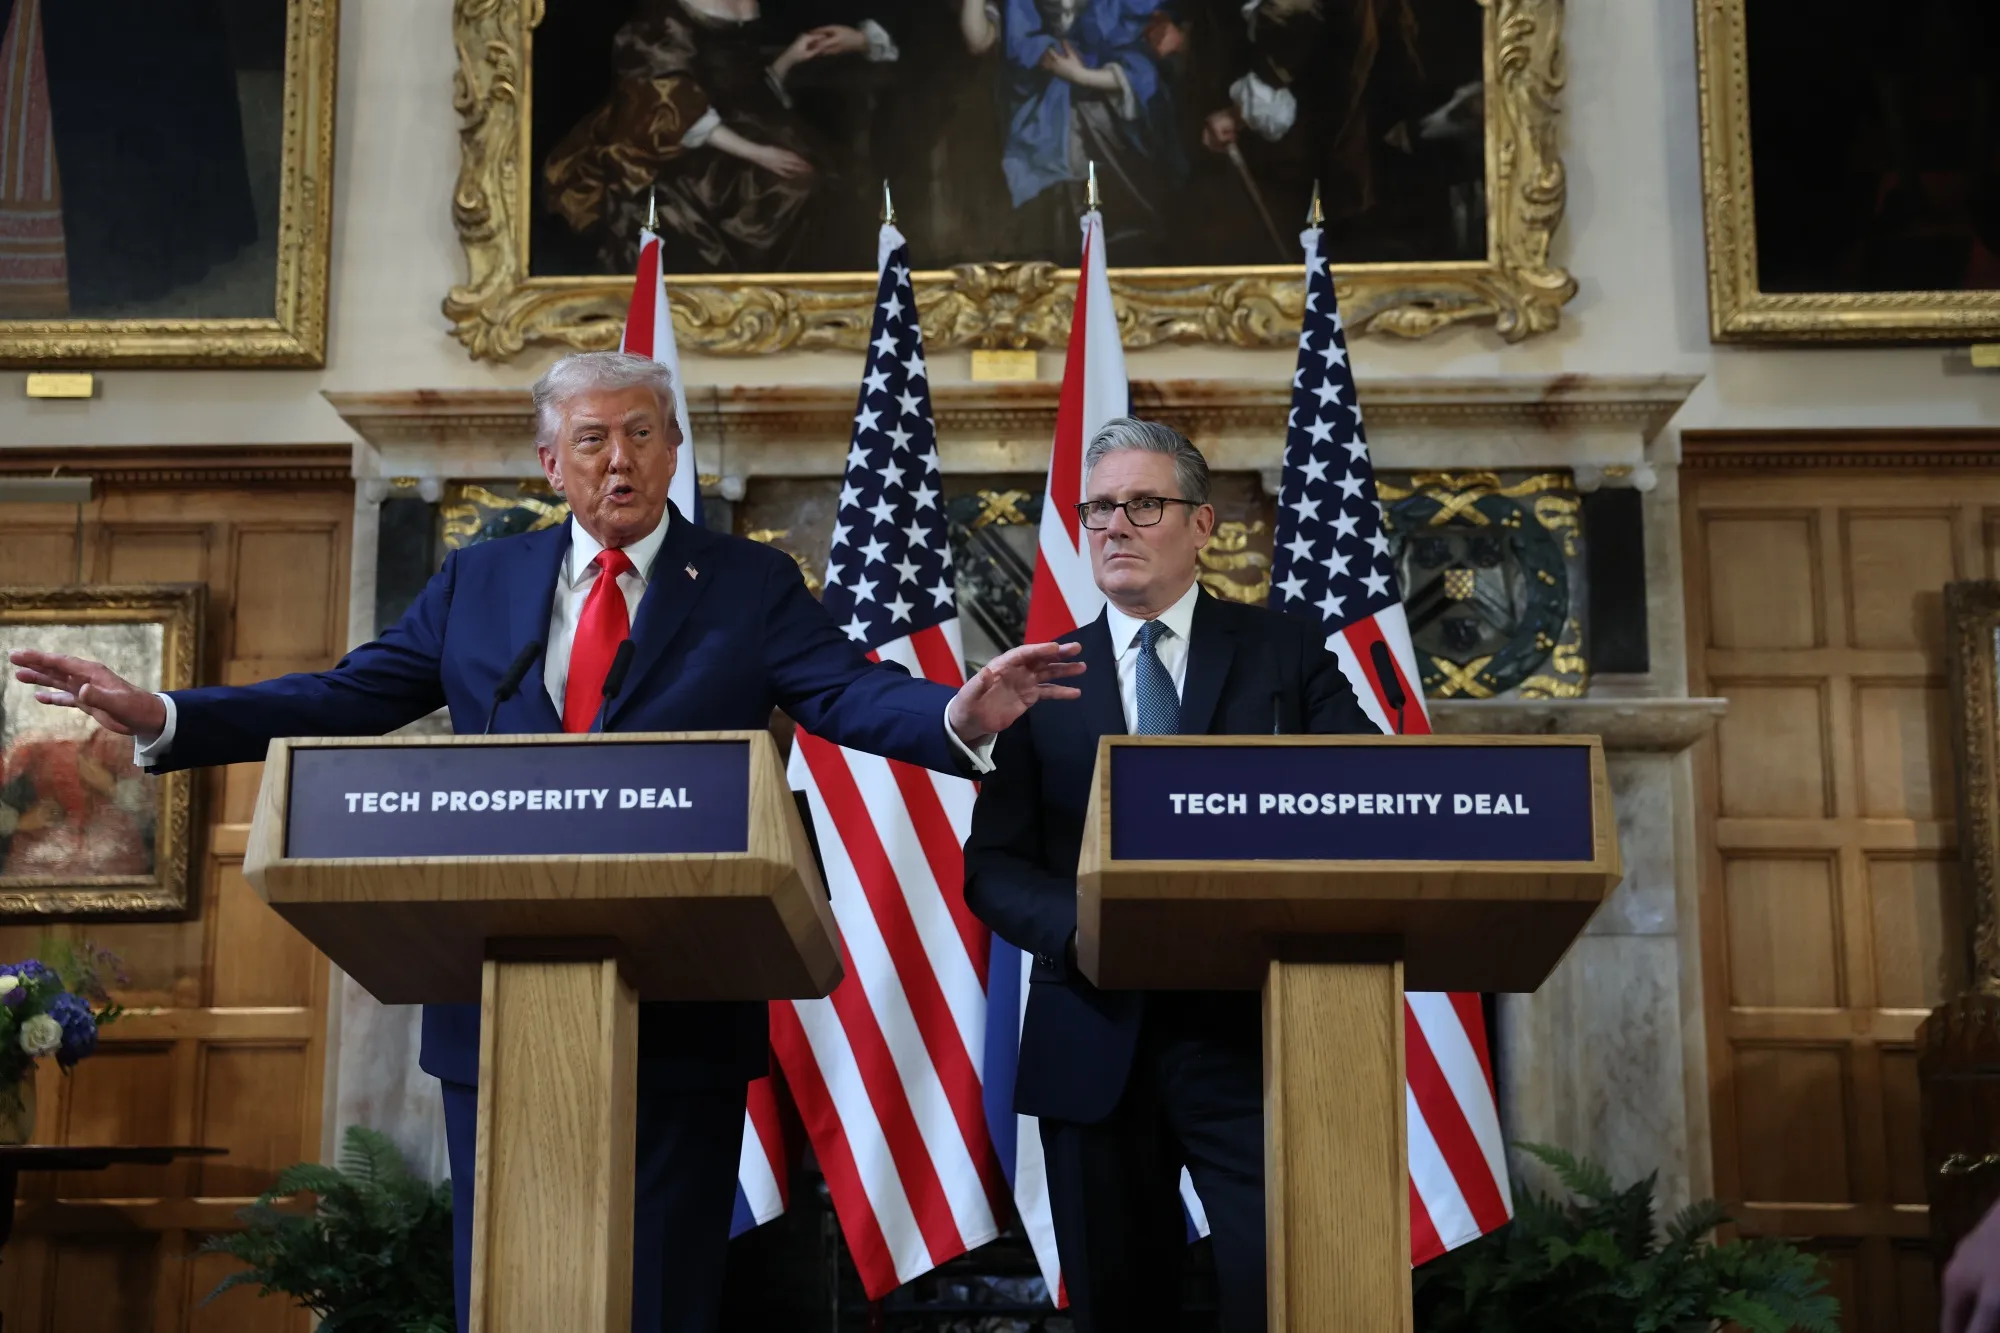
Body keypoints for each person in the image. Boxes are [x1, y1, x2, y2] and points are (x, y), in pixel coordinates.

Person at [9, 350, 1085, 1333]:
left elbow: (843, 695)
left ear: (672, 449)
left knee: (662, 1289)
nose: (618, 460)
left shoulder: (749, 586)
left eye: (640, 435)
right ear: (548, 460)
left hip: (685, 994)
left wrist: (956, 715)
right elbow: (351, 695)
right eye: (591, 439)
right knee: (514, 1289)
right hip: (497, 1001)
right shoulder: (483, 582)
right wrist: (167, 717)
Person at [961, 417, 1376, 1333]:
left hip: (1252, 1035)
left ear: (1202, 525)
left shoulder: (1283, 653)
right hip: (1092, 1032)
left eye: (1142, 504)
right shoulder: (1037, 677)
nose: (1115, 525)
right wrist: (1088, 925)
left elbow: (1365, 794)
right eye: (1099, 508)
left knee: (1289, 1295)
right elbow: (992, 870)